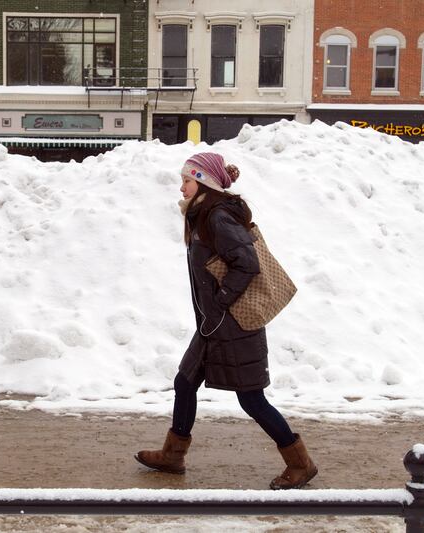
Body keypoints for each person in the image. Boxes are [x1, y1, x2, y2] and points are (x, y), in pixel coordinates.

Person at [134, 152, 318, 490]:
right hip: (214, 325)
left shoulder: (217, 216)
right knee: (185, 382)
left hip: (235, 324)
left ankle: (300, 464)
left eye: (187, 180)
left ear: (203, 182)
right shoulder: (203, 213)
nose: (181, 187)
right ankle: (173, 456)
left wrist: (221, 302)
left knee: (251, 399)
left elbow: (247, 263)